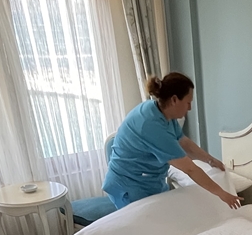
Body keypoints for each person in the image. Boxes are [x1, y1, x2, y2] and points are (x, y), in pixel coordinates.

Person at [102, 72, 242, 211]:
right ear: (174, 100)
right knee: (147, 224)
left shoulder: (163, 113)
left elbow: (183, 142)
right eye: (188, 102)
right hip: (128, 184)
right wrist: (222, 194)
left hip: (149, 181)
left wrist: (210, 160)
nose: (189, 108)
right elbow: (189, 169)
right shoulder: (151, 125)